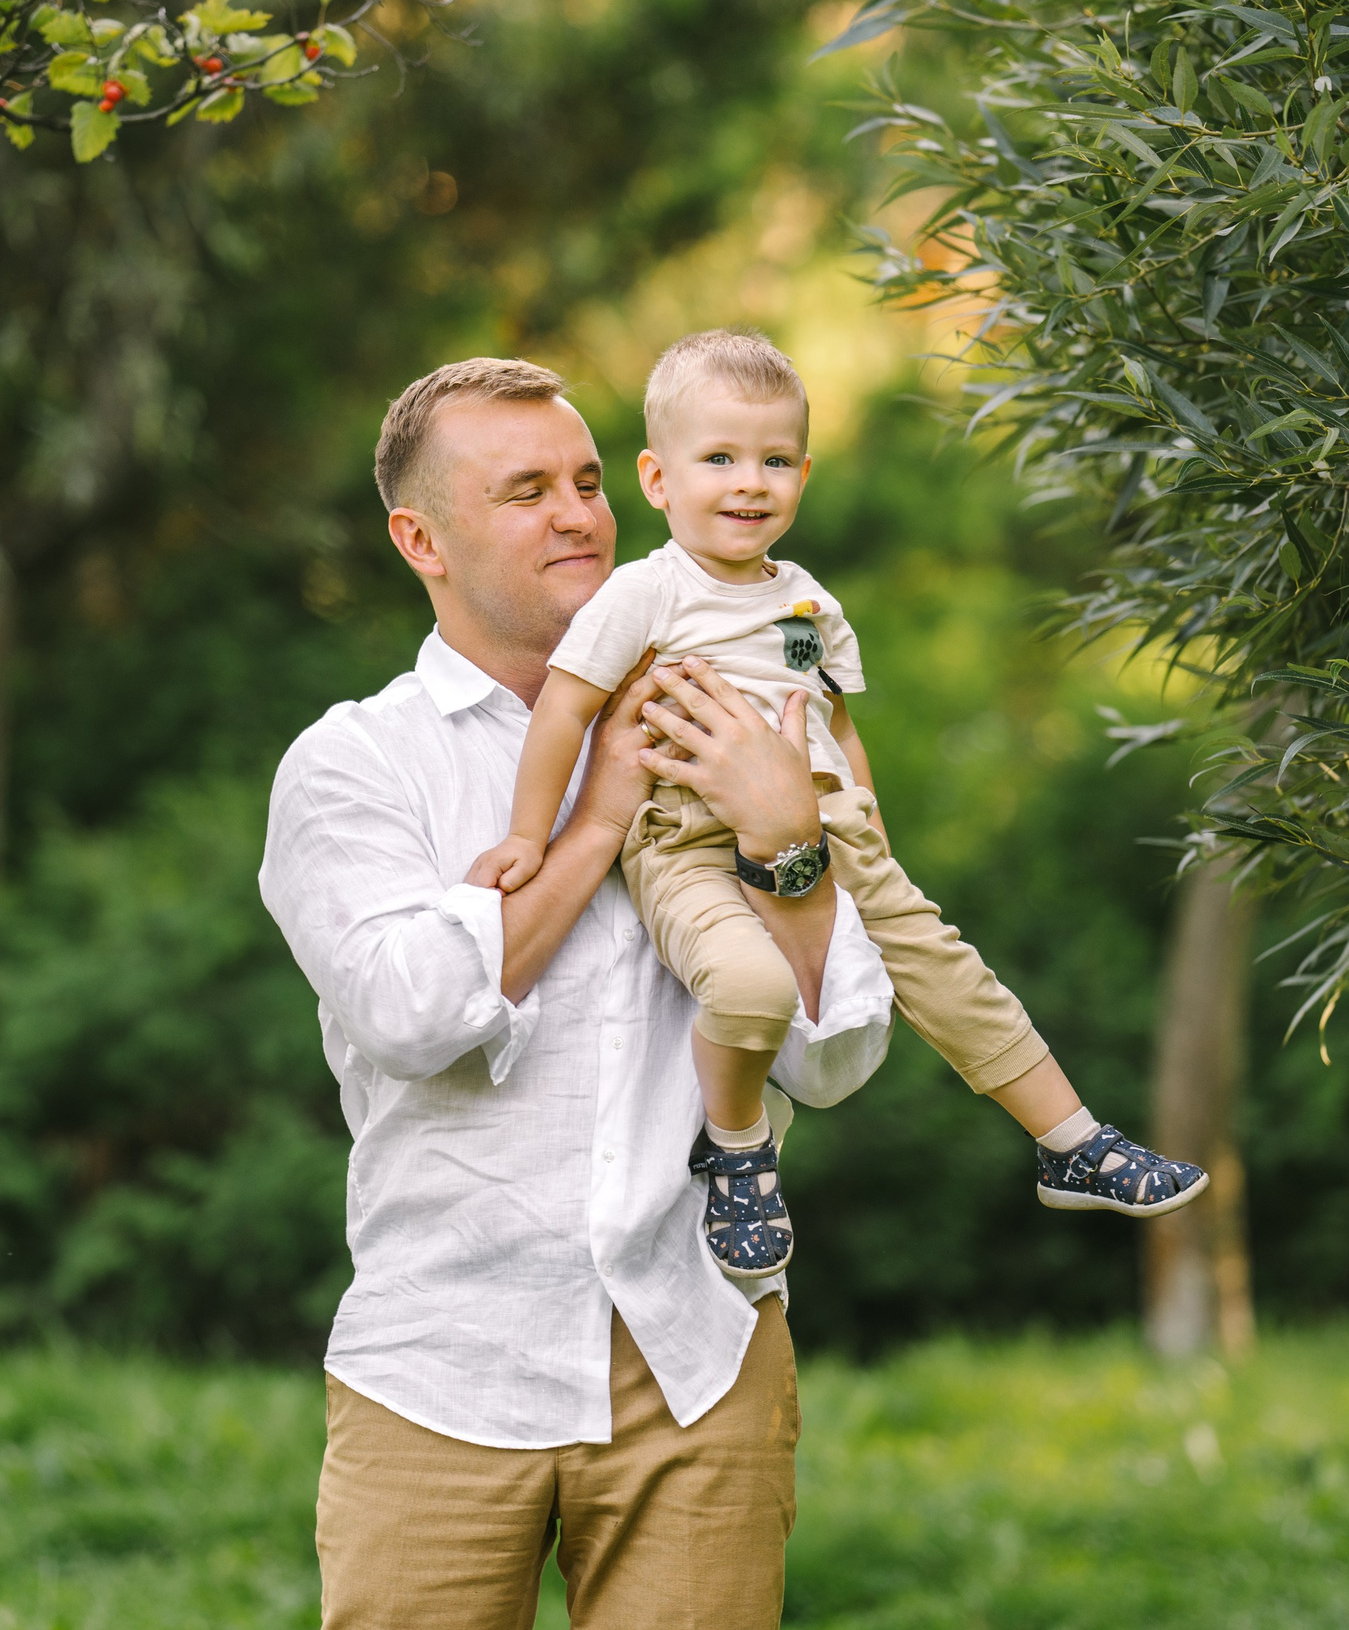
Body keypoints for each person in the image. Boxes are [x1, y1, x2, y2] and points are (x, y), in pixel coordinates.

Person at [259, 355, 899, 1629]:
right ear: (419, 539)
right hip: (441, 1367)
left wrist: (784, 845)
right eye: (526, 490)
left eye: (591, 481)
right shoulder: (356, 763)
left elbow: (836, 1058)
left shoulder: (751, 717)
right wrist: (600, 813)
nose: (579, 515)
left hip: (700, 1357)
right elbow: (413, 1013)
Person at [468, 329, 1207, 1280]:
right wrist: (533, 834)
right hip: (685, 837)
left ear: (805, 474)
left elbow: (836, 724)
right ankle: (737, 1149)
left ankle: (1072, 1138)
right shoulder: (643, 594)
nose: (750, 482)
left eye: (775, 461)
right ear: (656, 479)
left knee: (951, 969)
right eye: (721, 459)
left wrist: (872, 839)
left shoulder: (809, 607)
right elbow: (567, 708)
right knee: (750, 986)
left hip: (826, 827)